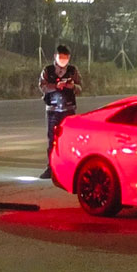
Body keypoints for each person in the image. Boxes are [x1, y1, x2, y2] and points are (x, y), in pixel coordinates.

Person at [39, 45, 82, 179]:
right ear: (55, 57)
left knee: (68, 139)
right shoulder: (48, 70)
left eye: (66, 58)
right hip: (52, 109)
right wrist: (55, 86)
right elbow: (42, 86)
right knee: (52, 139)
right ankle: (51, 167)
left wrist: (72, 86)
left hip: (68, 109)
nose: (63, 60)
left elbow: (80, 87)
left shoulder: (72, 70)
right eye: (61, 58)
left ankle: (68, 167)